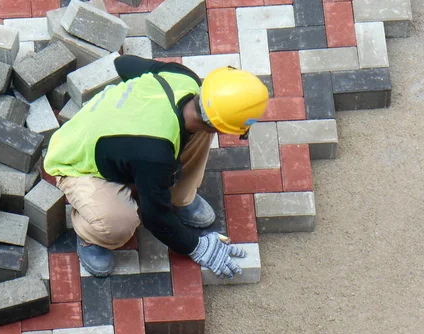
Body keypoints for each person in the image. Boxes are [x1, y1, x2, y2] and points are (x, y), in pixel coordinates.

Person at [44, 55, 269, 279]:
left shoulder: (185, 78)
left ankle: (179, 197)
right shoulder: (154, 154)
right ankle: (92, 236)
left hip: (127, 145)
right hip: (74, 160)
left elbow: (123, 64)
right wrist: (195, 246)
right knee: (120, 224)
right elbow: (155, 218)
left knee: (202, 125)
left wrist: (134, 105)